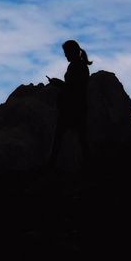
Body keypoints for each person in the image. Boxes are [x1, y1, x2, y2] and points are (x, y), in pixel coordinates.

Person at [47, 40, 91, 170]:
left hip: (72, 108)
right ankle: (88, 166)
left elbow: (73, 88)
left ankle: (51, 165)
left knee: (59, 138)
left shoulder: (77, 66)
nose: (65, 55)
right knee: (81, 139)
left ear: (72, 52)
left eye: (66, 52)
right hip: (78, 107)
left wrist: (58, 83)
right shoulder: (79, 65)